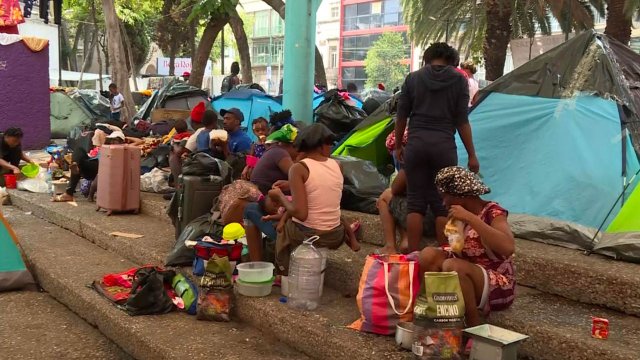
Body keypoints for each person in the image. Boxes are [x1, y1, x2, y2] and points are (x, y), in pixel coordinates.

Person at [395, 42, 479, 252]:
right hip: (444, 147)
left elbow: (401, 116)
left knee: (415, 202)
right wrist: (472, 155)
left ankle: (414, 257)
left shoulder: (413, 78)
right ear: (453, 62)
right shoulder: (460, 80)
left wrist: (398, 145)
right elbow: (462, 121)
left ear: (427, 59)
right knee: (442, 204)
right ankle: (443, 256)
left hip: (416, 144)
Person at [418, 166, 515, 328]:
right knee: (428, 255)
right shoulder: (456, 216)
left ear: (460, 195)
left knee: (453, 266)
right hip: (464, 273)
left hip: (496, 283)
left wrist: (470, 218)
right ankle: (435, 313)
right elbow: (454, 248)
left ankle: (472, 325)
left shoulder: (493, 213)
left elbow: (508, 247)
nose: (444, 202)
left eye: (445, 197)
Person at [265, 124, 357, 273]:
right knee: (331, 212)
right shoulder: (337, 165)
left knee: (285, 222)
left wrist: (279, 196)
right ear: (321, 146)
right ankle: (351, 238)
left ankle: (283, 268)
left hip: (309, 235)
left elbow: (301, 214)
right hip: (336, 235)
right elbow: (320, 185)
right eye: (329, 144)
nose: (331, 148)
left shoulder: (298, 168)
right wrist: (291, 184)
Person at [53, 131, 126, 202]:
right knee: (79, 150)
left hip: (99, 167)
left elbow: (136, 143)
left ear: (122, 142)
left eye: (115, 140)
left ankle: (69, 193)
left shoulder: (123, 150)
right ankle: (75, 165)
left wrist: (127, 140)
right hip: (90, 164)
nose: (112, 142)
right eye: (111, 140)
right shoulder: (106, 148)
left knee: (79, 164)